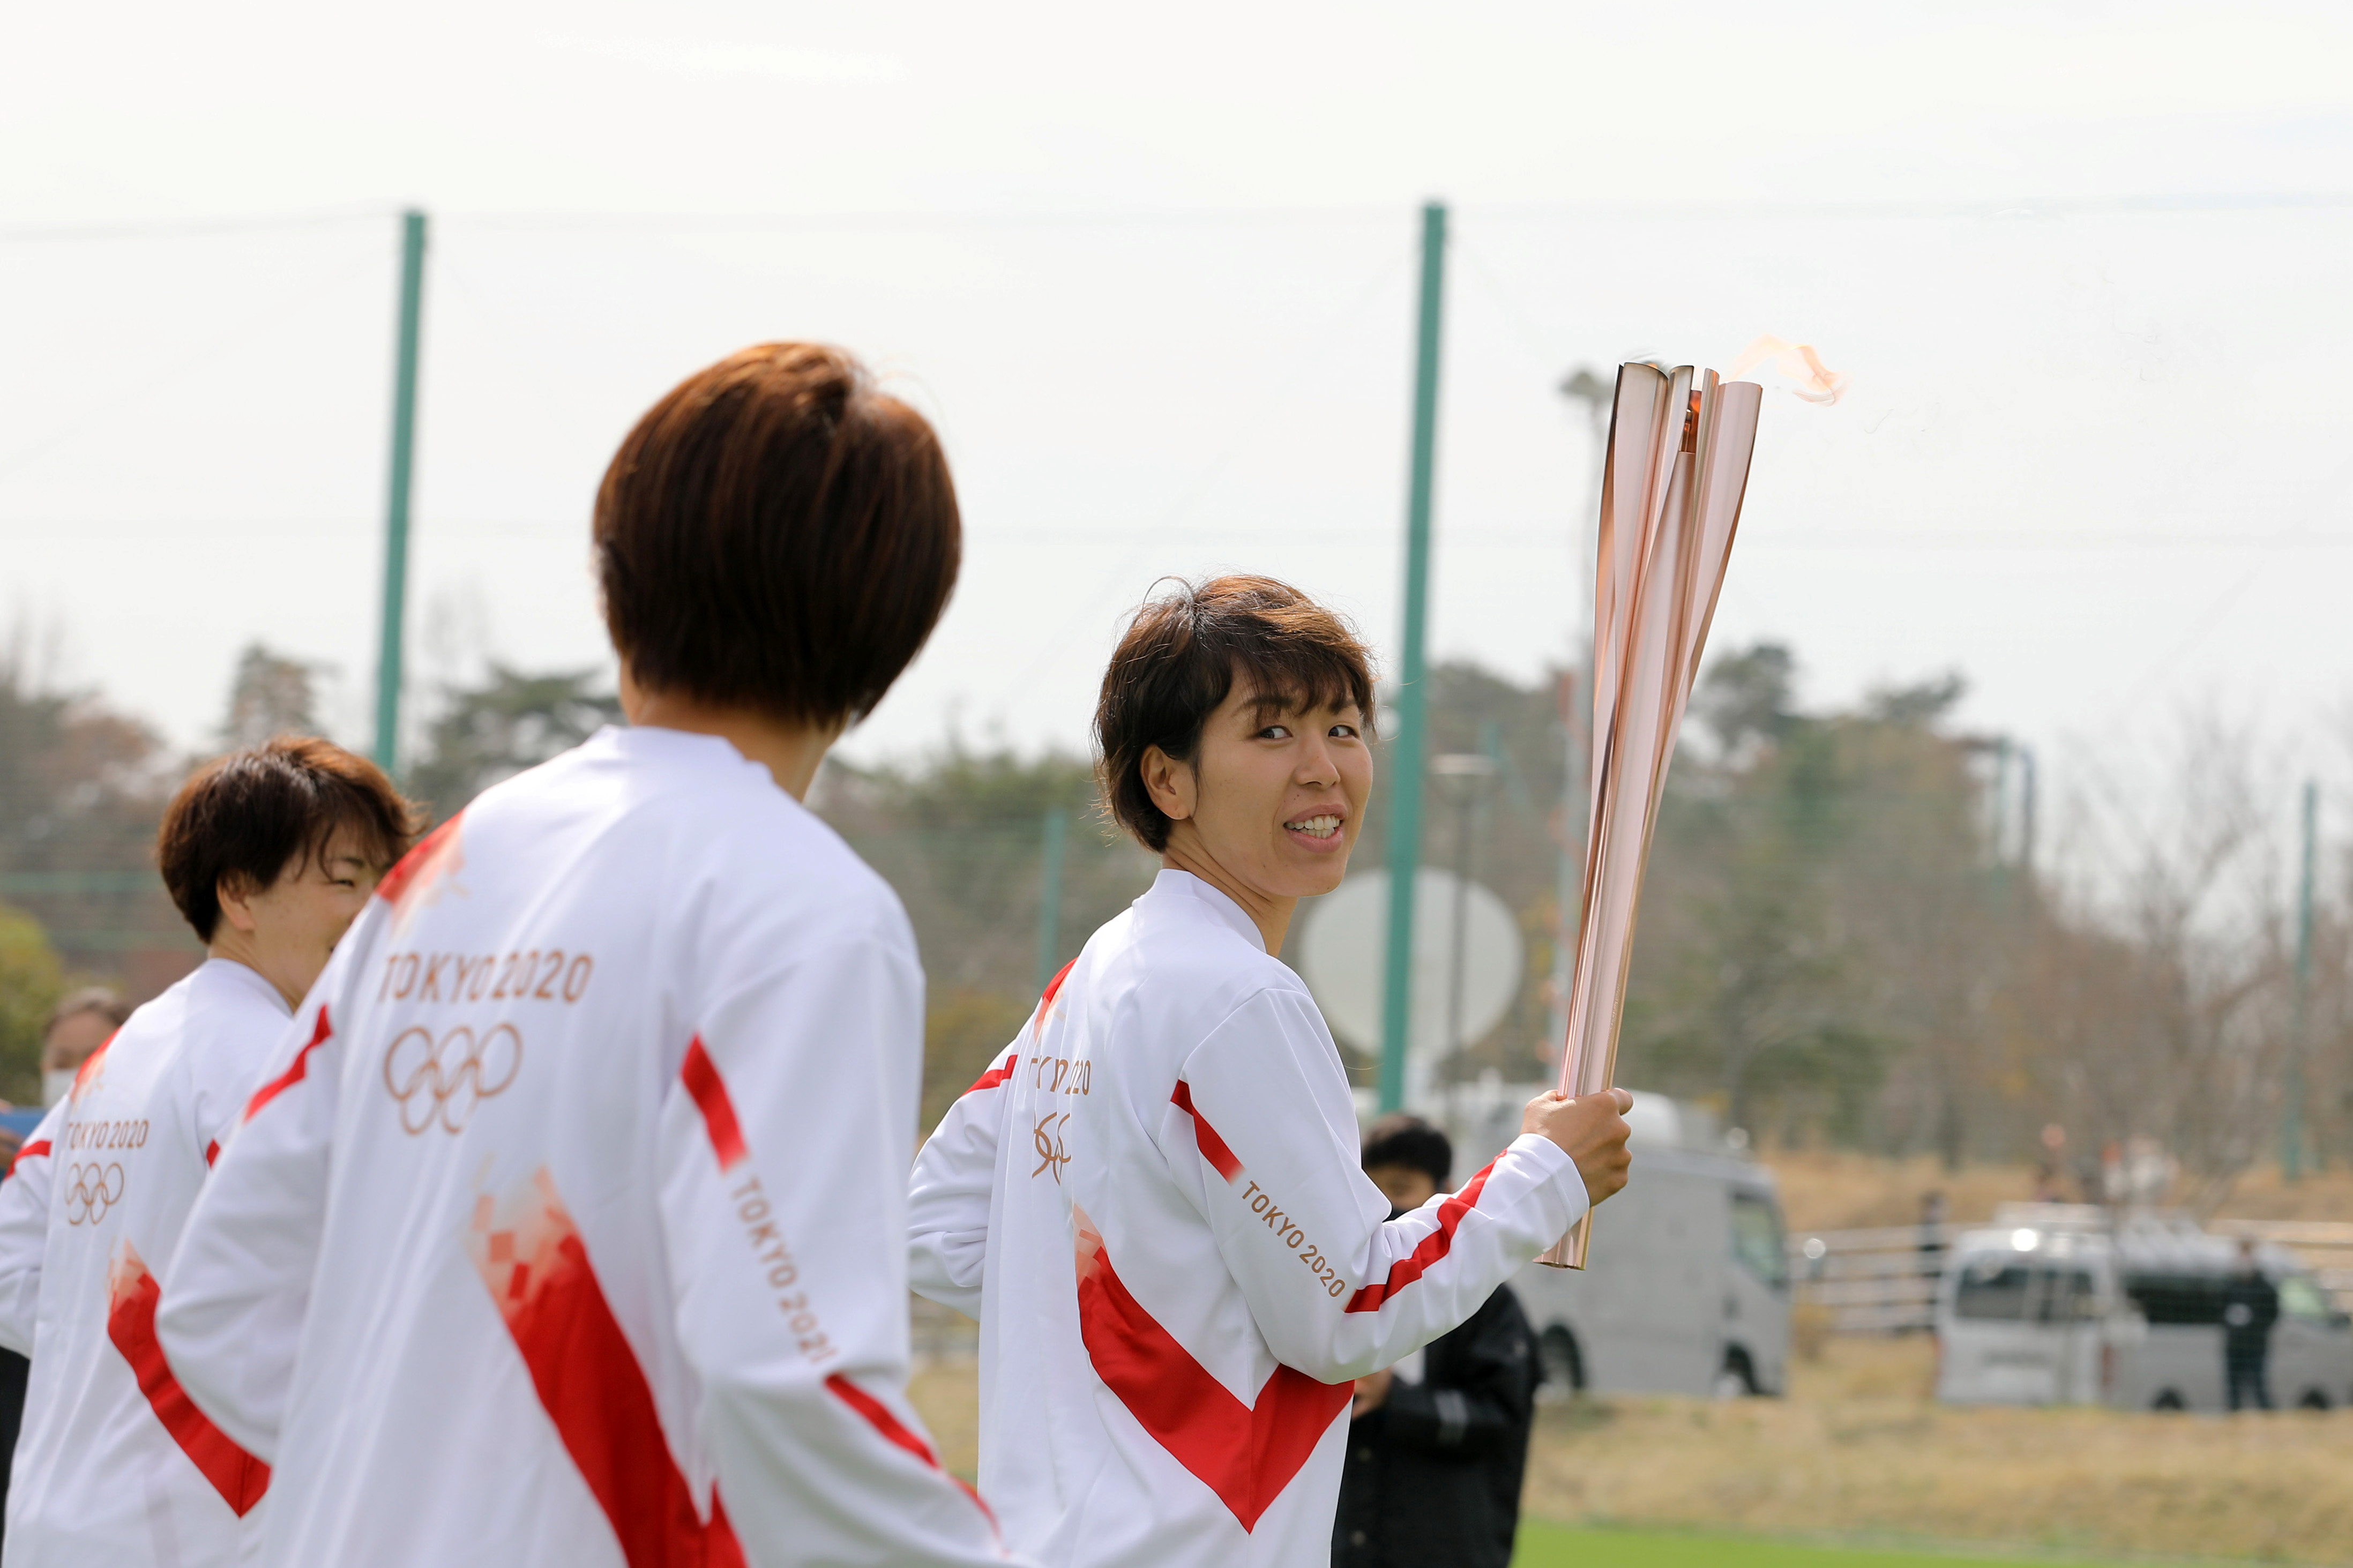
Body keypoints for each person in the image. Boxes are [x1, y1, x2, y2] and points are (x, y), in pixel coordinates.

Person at [157, 344, 1016, 1568]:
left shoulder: (446, 869)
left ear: (617, 575)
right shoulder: (800, 904)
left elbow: (220, 1304)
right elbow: (793, 1384)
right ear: (897, 624)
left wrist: (431, 1487)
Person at [908, 575, 1633, 1568]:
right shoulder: (1237, 1000)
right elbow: (1350, 1308)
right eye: (1271, 732)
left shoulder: (1096, 976)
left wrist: (1149, 1309)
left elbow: (936, 1227)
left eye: (1342, 727)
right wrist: (1545, 1174)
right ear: (1168, 781)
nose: (1323, 769)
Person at [0, 736, 413, 1563]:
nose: (370, 913)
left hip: (62, 1521)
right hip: (195, 1533)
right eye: (342, 879)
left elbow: (12, 1250)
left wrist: (106, 1355)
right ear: (239, 892)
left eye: (381, 883)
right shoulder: (269, 1057)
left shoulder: (124, 1052)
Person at [1332, 1115, 1537, 1568]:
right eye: (1370, 1193)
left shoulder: (1486, 1304)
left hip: (1444, 1545)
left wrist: (1393, 1398)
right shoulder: (1333, 1290)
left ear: (1444, 1192)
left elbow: (1500, 1418)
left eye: (1401, 1191)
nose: (1385, 1210)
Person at [39, 988, 132, 1108]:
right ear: (44, 1066)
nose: (77, 1076)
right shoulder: (14, 1126)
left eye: (94, 1065)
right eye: (62, 1064)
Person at [2221, 1238, 2280, 1412]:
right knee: (2233, 1387)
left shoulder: (2264, 1288)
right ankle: (2234, 1415)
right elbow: (2220, 1310)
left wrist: (2257, 1328)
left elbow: (2273, 1313)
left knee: (2259, 1384)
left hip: (2255, 1345)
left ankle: (2267, 1417)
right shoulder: (2230, 1285)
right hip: (2234, 1345)